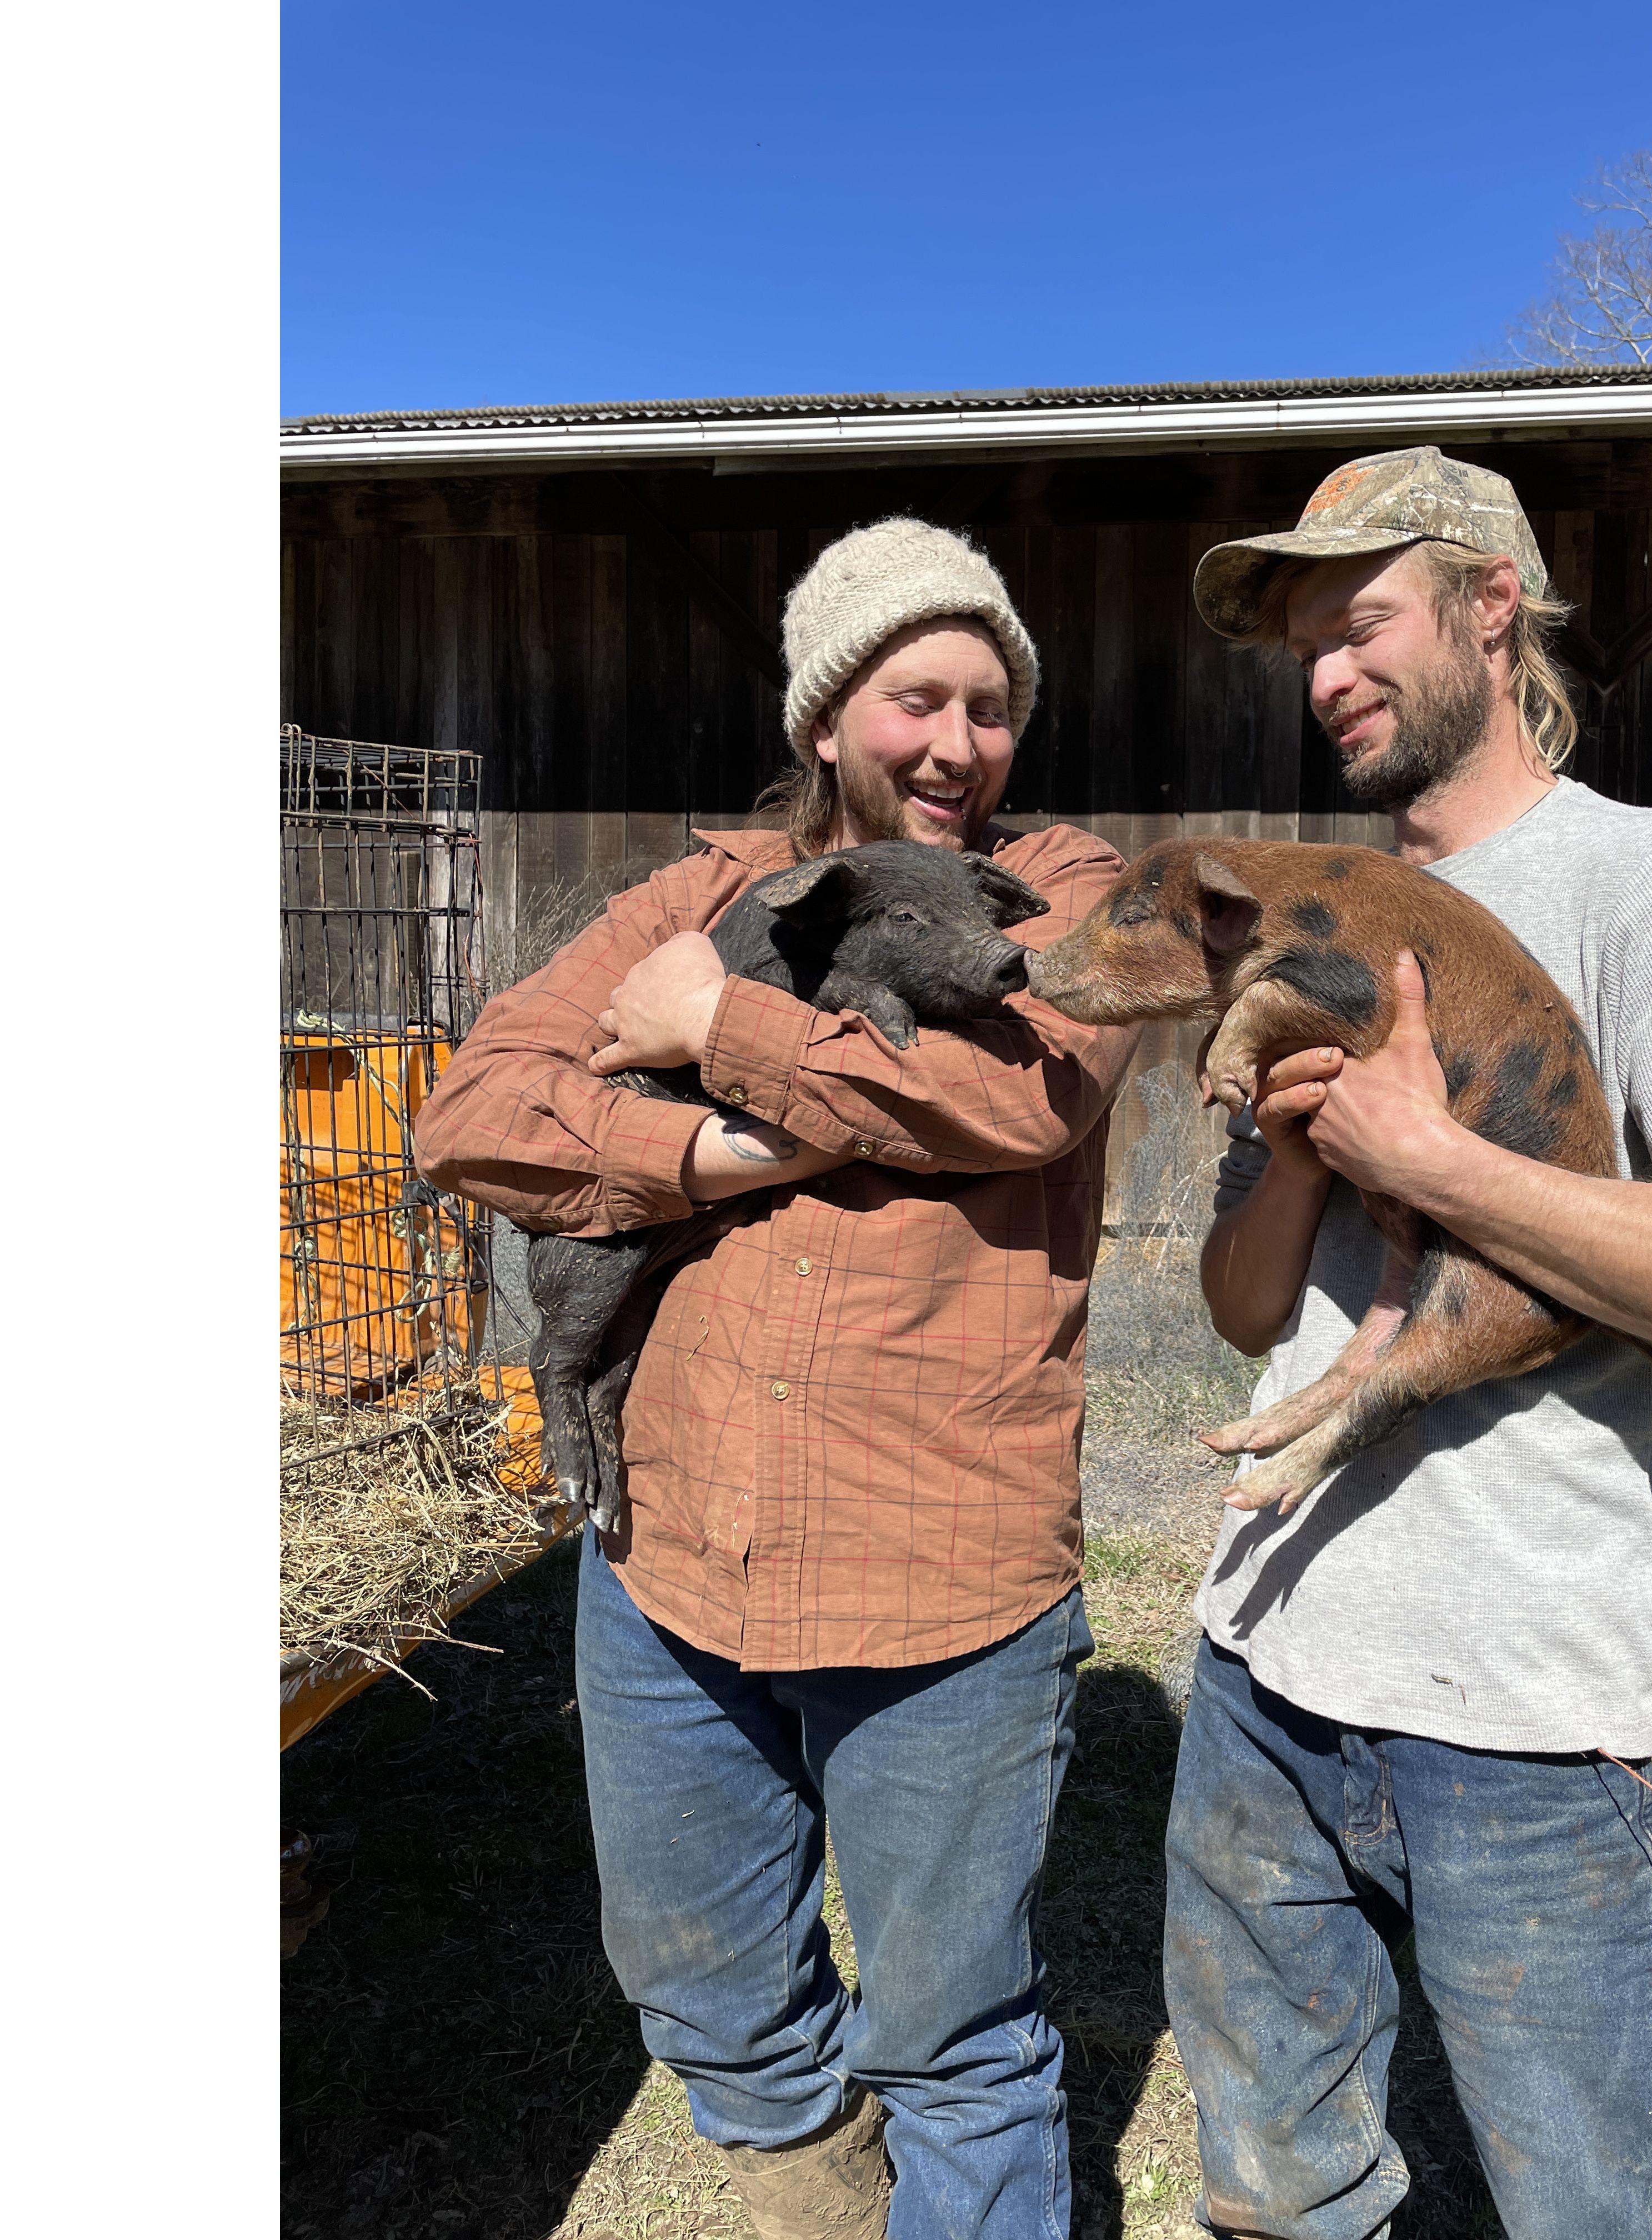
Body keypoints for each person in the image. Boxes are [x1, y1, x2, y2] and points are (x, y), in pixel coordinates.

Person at [1165, 448, 1652, 2240]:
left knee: (1595, 2212)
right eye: (1307, 652)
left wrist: (1431, 1160)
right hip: (1261, 1665)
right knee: (1278, 2198)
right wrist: (1300, 1150)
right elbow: (1245, 1313)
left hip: (1523, 1723)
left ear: (1493, 605)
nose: (1328, 676)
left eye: (1362, 624)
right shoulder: (1317, 905)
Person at [415, 519, 1139, 2240]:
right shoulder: (691, 904)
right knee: (711, 1997)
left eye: (990, 707)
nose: (958, 744)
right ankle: (836, 2206)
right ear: (826, 718)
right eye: (916, 700)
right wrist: (719, 1149)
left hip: (941, 1570)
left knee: (956, 2040)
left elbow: (1021, 1096)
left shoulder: (1066, 888)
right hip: (670, 1554)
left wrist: (713, 1032)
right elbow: (472, 1115)